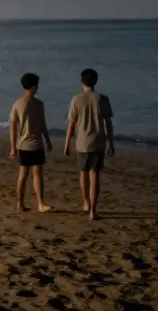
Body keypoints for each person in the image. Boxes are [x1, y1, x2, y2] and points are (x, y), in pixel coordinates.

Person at [64, 68, 115, 221]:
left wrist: (67, 143)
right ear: (95, 81)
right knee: (95, 174)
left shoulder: (76, 99)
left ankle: (85, 201)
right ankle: (93, 210)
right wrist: (111, 143)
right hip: (98, 142)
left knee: (83, 172)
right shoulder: (102, 99)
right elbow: (108, 123)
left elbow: (71, 125)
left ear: (82, 82)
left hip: (82, 142)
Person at [10, 72, 54, 213]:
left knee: (23, 174)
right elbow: (43, 125)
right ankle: (40, 203)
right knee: (37, 174)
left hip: (23, 144)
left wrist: (13, 147)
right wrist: (47, 140)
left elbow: (13, 127)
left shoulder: (17, 104)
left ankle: (20, 203)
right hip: (36, 143)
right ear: (34, 86)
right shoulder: (39, 104)